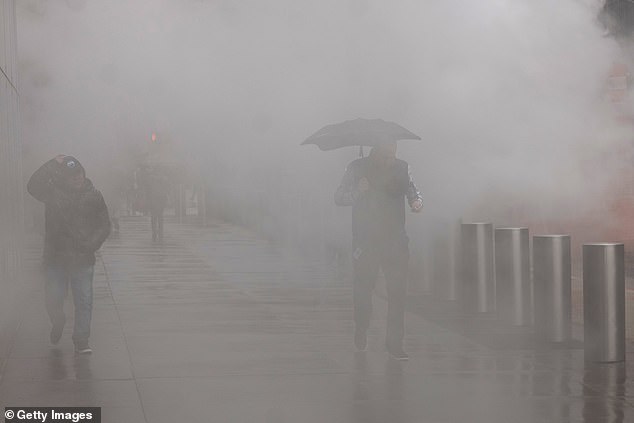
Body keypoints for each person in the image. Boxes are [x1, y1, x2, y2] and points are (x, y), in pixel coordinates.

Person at [335, 142, 423, 360]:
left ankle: (394, 342)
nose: (389, 160)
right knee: (364, 288)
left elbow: (413, 190)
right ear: (374, 153)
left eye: (392, 155)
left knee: (397, 292)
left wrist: (417, 202)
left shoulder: (403, 168)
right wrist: (358, 191)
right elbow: (338, 197)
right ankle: (361, 326)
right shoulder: (356, 168)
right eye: (385, 155)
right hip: (366, 241)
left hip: (395, 240)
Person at [27, 155, 111, 354]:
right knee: (53, 297)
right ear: (63, 177)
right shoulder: (52, 193)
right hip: (56, 257)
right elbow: (32, 186)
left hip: (82, 258)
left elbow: (104, 224)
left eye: (79, 173)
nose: (76, 178)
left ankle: (82, 340)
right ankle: (58, 320)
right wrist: (52, 163)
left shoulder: (94, 195)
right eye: (71, 175)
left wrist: (91, 244)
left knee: (84, 300)